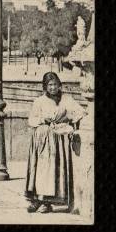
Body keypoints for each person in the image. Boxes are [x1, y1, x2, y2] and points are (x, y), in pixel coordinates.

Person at [24, 71, 85, 213]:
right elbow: (31, 120)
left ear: (59, 85)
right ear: (45, 86)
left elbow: (80, 112)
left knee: (53, 171)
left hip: (59, 139)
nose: (53, 88)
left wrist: (71, 125)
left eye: (55, 85)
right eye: (50, 85)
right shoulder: (39, 101)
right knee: (41, 170)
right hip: (42, 140)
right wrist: (42, 120)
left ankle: (48, 202)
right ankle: (36, 200)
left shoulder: (66, 99)